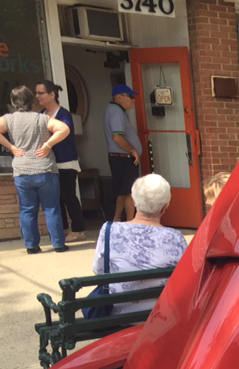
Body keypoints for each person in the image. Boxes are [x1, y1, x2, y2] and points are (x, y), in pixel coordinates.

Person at [92, 174, 186, 315]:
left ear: (134, 201)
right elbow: (185, 277)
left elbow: (98, 271)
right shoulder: (175, 237)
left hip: (120, 318)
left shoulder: (109, 230)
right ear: (166, 206)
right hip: (161, 317)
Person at [0, 86, 70, 253]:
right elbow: (64, 129)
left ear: (12, 102)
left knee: (26, 209)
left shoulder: (8, 119)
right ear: (31, 101)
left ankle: (31, 246)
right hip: (45, 168)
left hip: (22, 170)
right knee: (51, 208)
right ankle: (58, 244)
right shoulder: (42, 118)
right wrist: (47, 145)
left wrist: (11, 146)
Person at [35, 79, 86, 243]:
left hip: (65, 162)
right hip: (49, 164)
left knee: (68, 196)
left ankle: (78, 230)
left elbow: (62, 135)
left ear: (52, 94)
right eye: (36, 93)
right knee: (56, 198)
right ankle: (63, 228)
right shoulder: (41, 114)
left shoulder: (63, 115)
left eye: (40, 93)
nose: (37, 96)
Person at [103, 83, 141, 222]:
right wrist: (132, 150)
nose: (133, 100)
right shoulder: (116, 111)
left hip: (118, 157)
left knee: (122, 191)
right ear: (119, 97)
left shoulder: (113, 110)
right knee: (130, 192)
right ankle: (131, 221)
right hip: (123, 157)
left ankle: (117, 219)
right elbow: (117, 136)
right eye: (130, 96)